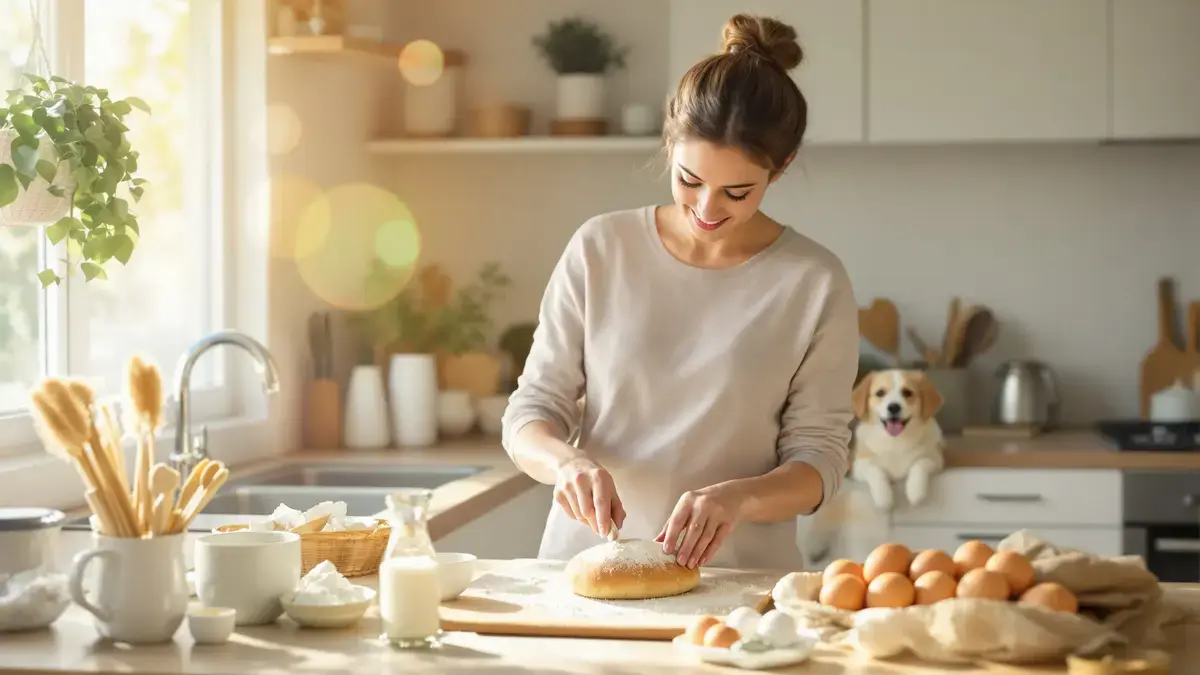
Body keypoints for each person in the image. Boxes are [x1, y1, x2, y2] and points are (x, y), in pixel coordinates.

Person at [499, 13, 859, 571]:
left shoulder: (814, 282)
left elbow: (820, 461)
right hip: (592, 569)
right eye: (689, 180)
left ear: (781, 168)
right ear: (670, 143)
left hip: (739, 583)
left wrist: (739, 497)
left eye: (737, 192)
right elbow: (532, 410)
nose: (708, 210)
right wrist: (566, 463)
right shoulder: (601, 248)